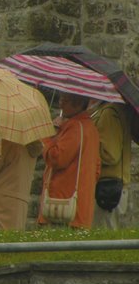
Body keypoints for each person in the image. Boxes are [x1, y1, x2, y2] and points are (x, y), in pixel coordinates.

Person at [39, 93, 100, 229]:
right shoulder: (91, 128)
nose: (60, 104)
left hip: (62, 204)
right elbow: (97, 168)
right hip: (80, 205)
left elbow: (56, 158)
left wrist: (49, 136)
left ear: (78, 103)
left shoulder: (74, 127)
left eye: (64, 100)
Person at [89, 99, 132, 229]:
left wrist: (86, 149)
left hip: (109, 187)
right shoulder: (103, 111)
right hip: (108, 186)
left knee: (104, 238)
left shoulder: (108, 113)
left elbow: (110, 155)